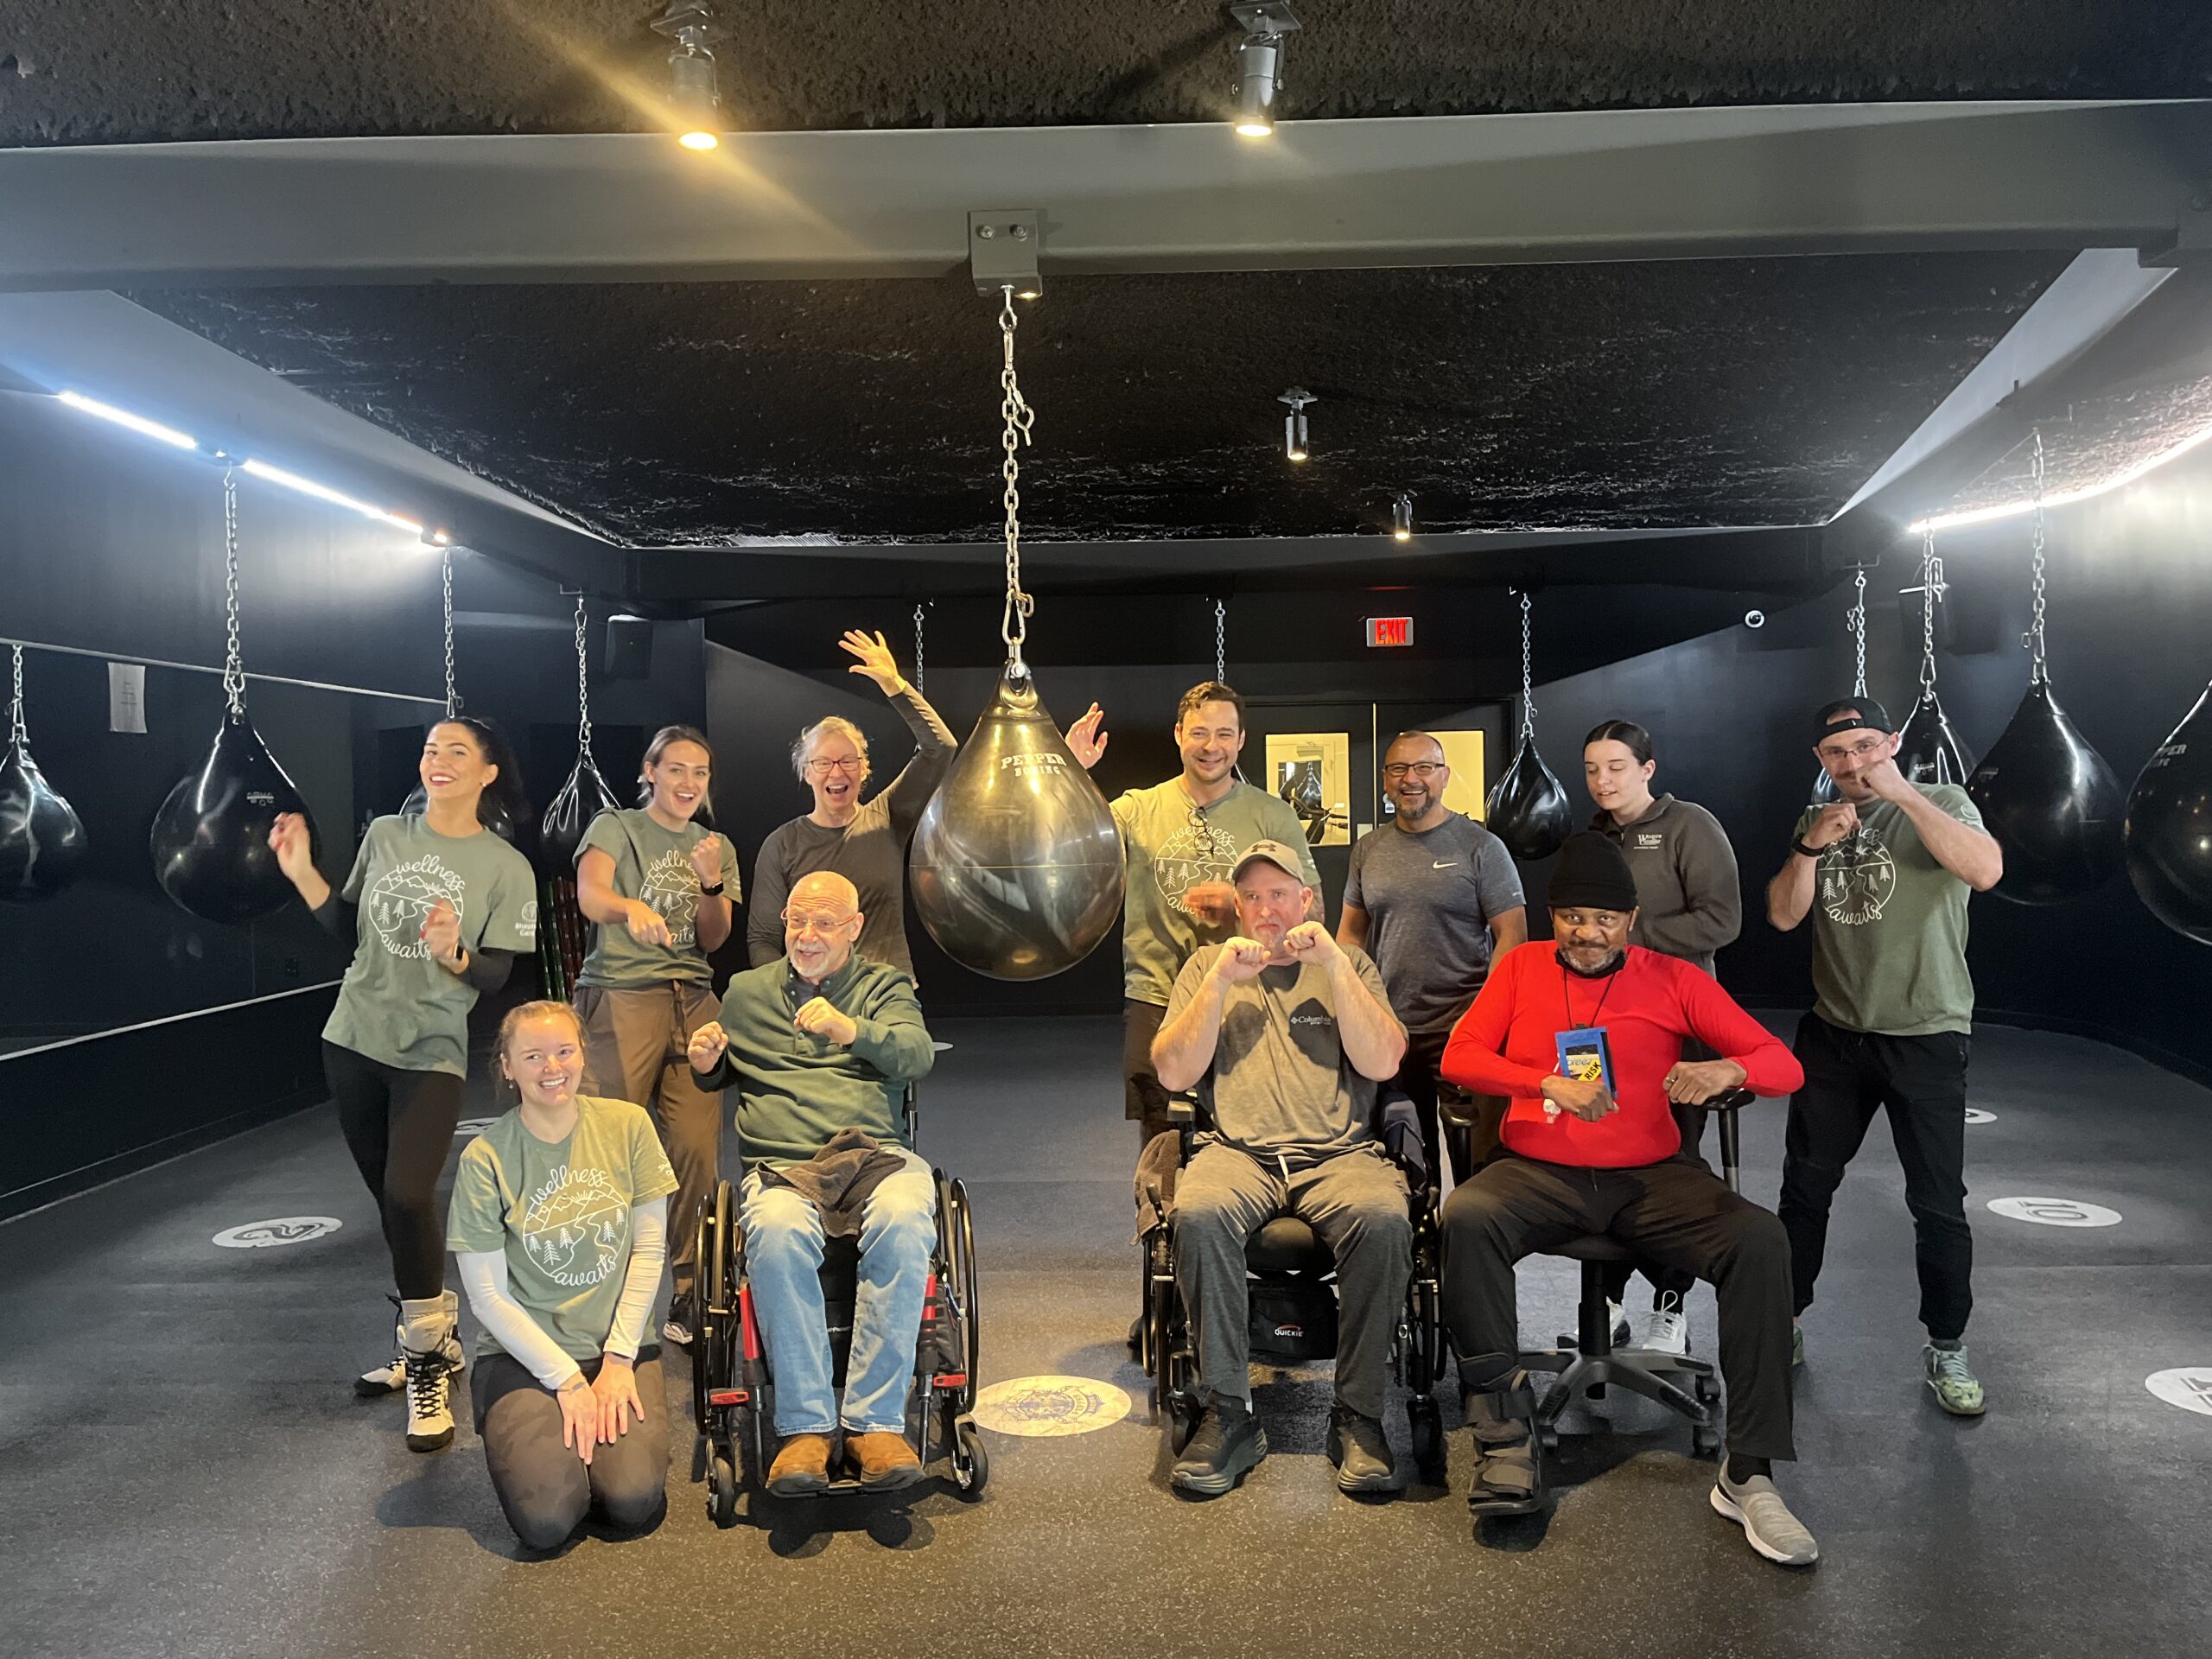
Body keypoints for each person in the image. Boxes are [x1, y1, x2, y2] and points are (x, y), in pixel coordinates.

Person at [1440, 833, 1814, 1567]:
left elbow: (1785, 1063)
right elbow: (1460, 1054)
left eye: (1604, 920)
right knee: (1467, 1216)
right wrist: (1542, 1082)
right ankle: (1505, 1437)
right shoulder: (1519, 969)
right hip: (1539, 1170)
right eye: (1573, 917)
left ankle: (1750, 1474)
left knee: (1761, 1240)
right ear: (1555, 917)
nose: (1587, 933)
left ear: (1631, 920)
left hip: (1651, 1176)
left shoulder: (1673, 979)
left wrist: (1727, 1069)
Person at [267, 715, 537, 1452]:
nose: (438, 760)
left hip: (431, 1049)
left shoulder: (504, 867)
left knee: (409, 1195)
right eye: (429, 749)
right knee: (391, 1204)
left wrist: (455, 953)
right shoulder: (388, 834)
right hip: (351, 1041)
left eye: (457, 751)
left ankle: (424, 1364)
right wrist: (301, 872)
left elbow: (498, 973)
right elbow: (347, 929)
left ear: (487, 773)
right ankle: (433, 1338)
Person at [1150, 840, 1411, 1498]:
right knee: (1199, 1212)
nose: (1267, 909)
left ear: (1307, 901)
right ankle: (1230, 1411)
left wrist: (1333, 964)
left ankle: (1358, 1415)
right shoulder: (1207, 965)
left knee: (1384, 1218)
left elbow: (1383, 1063)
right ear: (1237, 908)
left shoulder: (1347, 962)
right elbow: (1174, 1072)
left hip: (1339, 1154)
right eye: (1253, 897)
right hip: (1240, 1154)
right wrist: (1217, 984)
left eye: (1279, 894)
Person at [1766, 696, 2003, 1415]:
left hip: (1926, 1033)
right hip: (1835, 1034)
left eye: (1867, 747)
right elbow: (1782, 914)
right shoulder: (1816, 820)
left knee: (1937, 1203)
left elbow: (1985, 871)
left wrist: (1901, 792)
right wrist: (1811, 845)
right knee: (1805, 1191)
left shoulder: (1943, 799)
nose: (1854, 763)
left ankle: (1948, 1346)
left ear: (1892, 743)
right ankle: (1789, 1321)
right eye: (1839, 753)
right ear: (1822, 760)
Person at [689, 870, 938, 1494]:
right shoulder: (745, 992)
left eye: (824, 923)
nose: (805, 935)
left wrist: (851, 1030)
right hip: (783, 1165)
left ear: (853, 929)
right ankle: (804, 1429)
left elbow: (917, 1056)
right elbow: (723, 1075)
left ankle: (874, 1424)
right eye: (797, 921)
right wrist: (706, 1064)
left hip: (873, 1155)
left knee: (908, 1215)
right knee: (772, 1230)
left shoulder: (883, 986)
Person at [448, 1001, 678, 1550]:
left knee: (631, 1501)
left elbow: (649, 1251)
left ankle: (596, 1460)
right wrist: (568, 1380)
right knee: (548, 1522)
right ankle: (553, 1449)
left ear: (580, 1054)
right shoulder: (486, 1158)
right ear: (507, 1067)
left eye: (563, 1051)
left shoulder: (628, 1125)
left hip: (615, 1349)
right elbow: (487, 1297)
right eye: (533, 1056)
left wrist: (619, 1358)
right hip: (522, 1357)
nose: (552, 1067)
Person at [1064, 681, 1322, 1150]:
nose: (1212, 747)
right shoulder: (1136, 808)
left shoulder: (1273, 816)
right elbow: (1069, 846)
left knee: (1248, 1129)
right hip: (1157, 994)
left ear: (1241, 740)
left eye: (1225, 734)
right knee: (1161, 1134)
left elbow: (1313, 909)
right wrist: (1071, 774)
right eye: (1200, 733)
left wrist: (1239, 904)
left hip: (1252, 994)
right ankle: (1158, 1221)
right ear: (1179, 734)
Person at [572, 724, 741, 1349]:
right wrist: (629, 909)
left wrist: (711, 883)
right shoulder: (615, 826)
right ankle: (600, 1289)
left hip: (693, 1000)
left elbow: (716, 938)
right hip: (621, 994)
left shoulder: (713, 844)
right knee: (611, 1145)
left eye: (699, 773)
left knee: (696, 1149)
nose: (688, 783)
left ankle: (691, 1290)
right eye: (676, 769)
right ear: (650, 771)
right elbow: (591, 894)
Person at [1582, 717, 1743, 1356]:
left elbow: (1722, 920)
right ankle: (1610, 1302)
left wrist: (1630, 939)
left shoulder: (1689, 826)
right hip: (1604, 1029)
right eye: (1593, 769)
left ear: (1648, 769)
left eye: (1617, 767)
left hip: (1681, 1030)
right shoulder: (1596, 835)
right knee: (1604, 1162)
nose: (1603, 780)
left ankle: (1670, 1307)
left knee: (1672, 1168)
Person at [1338, 729, 1526, 1185]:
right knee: (1406, 1160)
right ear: (1385, 779)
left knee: (1478, 1162)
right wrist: (1353, 1005)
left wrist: (1485, 1017)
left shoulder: (1481, 847)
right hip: (1393, 1027)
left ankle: (1470, 1250)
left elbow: (1513, 938)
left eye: (1424, 767)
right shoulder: (1368, 850)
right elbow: (1350, 934)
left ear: (1444, 776)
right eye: (1399, 769)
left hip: (1462, 1028)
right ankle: (1419, 1253)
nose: (1411, 779)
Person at [747, 630, 955, 981]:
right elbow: (763, 940)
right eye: (824, 763)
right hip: (813, 999)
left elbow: (940, 748)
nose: (836, 772)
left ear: (863, 770)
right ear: (807, 773)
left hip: (885, 993)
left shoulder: (887, 817)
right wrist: (793, 993)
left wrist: (895, 685)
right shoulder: (782, 844)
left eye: (848, 761)